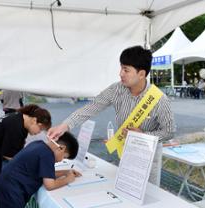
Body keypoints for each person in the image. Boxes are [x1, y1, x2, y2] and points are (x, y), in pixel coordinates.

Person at [48, 46, 175, 185]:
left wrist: (144, 135)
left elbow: (169, 132)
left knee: (148, 195)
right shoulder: (116, 89)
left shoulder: (159, 99)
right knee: (125, 188)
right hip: (125, 152)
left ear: (141, 74)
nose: (121, 74)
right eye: (121, 68)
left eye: (126, 70)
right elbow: (92, 107)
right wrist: (65, 125)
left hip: (147, 157)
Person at [0, 104, 52, 199]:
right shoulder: (15, 126)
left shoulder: (19, 118)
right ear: (34, 120)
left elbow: (15, 151)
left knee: (3, 192)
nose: (39, 132)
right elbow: (9, 155)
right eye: (40, 129)